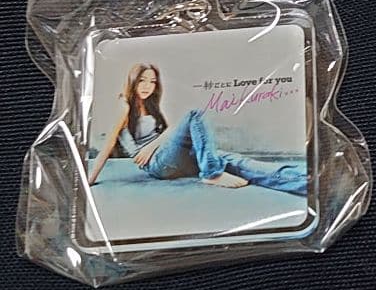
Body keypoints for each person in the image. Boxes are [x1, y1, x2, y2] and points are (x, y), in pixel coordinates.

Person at [88, 63, 307, 195]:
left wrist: (152, 145)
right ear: (133, 81)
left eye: (152, 82)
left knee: (241, 163)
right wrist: (87, 180)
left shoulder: (150, 105)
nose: (147, 86)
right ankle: (211, 173)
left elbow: (170, 131)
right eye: (142, 81)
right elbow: (108, 145)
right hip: (158, 164)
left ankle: (305, 183)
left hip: (175, 157)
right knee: (195, 113)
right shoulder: (124, 105)